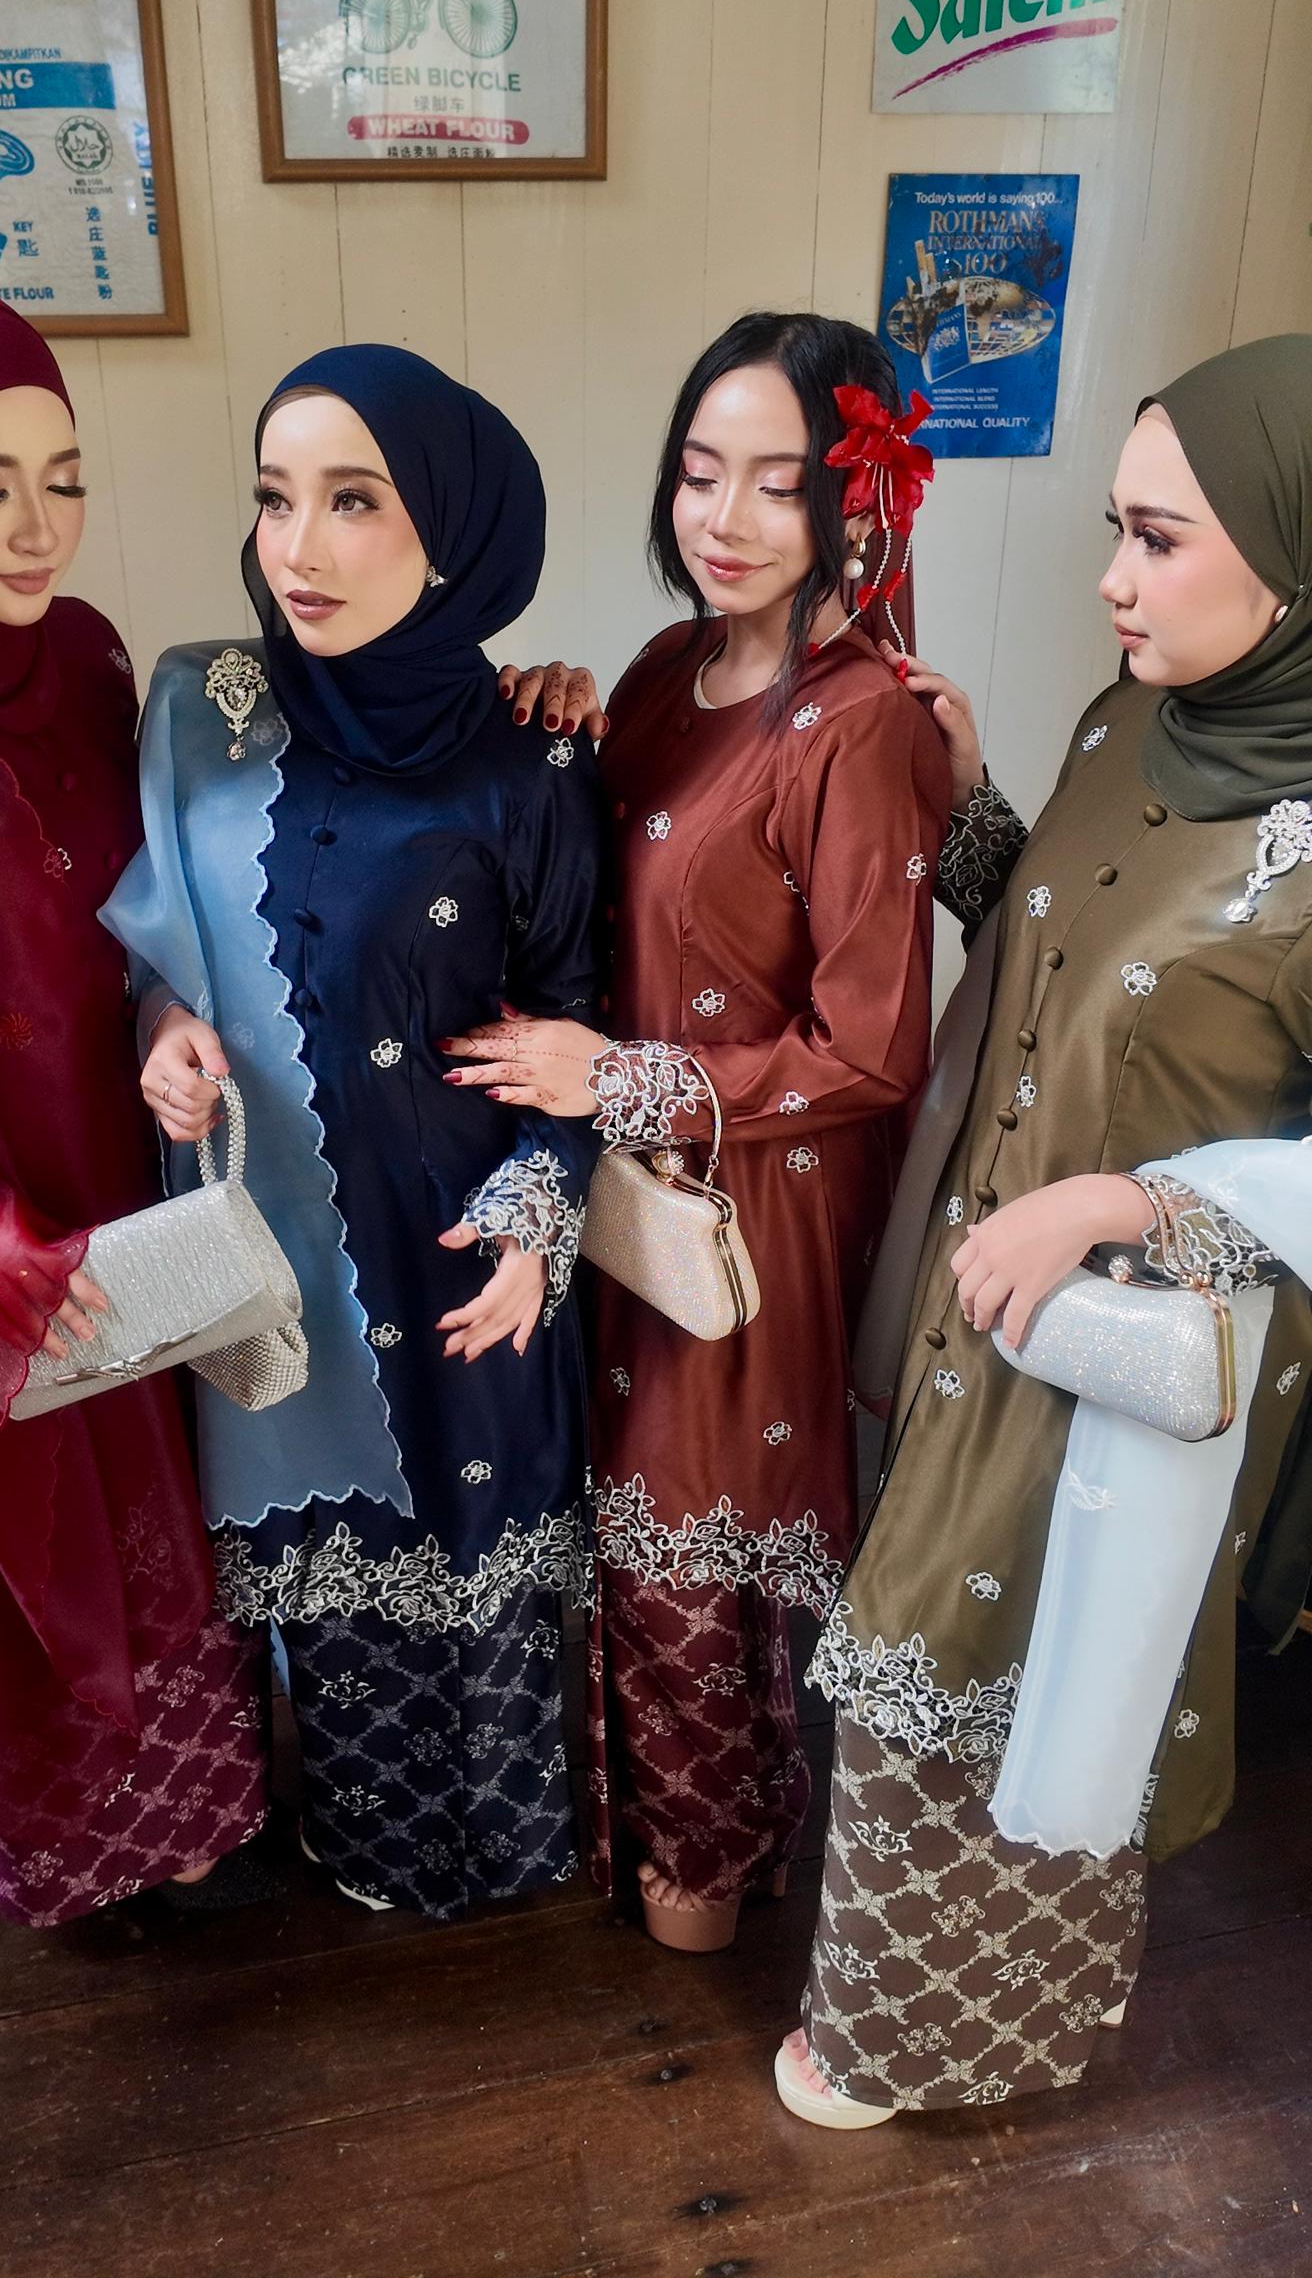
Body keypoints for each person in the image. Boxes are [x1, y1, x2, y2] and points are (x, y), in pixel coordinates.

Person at [764, 333, 1312, 2125]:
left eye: (1159, 539)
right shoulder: (1122, 719)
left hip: (1130, 1342)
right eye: (1111, 531)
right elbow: (1058, 956)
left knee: (1028, 1675)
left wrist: (1127, 1203)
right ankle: (908, 2015)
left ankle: (920, 2041)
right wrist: (978, 797)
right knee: (933, 1653)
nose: (1112, 580)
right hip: (986, 1296)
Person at [443, 312, 951, 1948]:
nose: (722, 517)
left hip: (761, 1207)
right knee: (633, 1521)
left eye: (777, 485)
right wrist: (544, 717)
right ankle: (674, 1838)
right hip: (631, 1192)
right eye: (697, 471)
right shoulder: (668, 671)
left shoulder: (862, 722)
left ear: (856, 502)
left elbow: (873, 1047)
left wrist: (630, 1085)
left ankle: (717, 1860)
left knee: (698, 1546)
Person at [105, 344, 604, 1920]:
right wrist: (163, 1039)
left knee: (478, 1554)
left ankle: (506, 1851)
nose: (298, 549)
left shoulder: (534, 756)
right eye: (274, 500)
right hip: (287, 1254)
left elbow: (581, 1028)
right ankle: (363, 1837)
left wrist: (534, 1227)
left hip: (462, 1243)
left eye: (354, 502)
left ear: (449, 532)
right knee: (330, 1582)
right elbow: (160, 953)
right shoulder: (206, 715)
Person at [0, 283, 267, 1930]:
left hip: (123, 1174)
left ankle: (195, 1816)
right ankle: (72, 1854)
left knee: (156, 1496)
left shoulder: (92, 656)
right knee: (31, 1538)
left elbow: (147, 906)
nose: (38, 529)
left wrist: (166, 1018)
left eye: (66, 478)